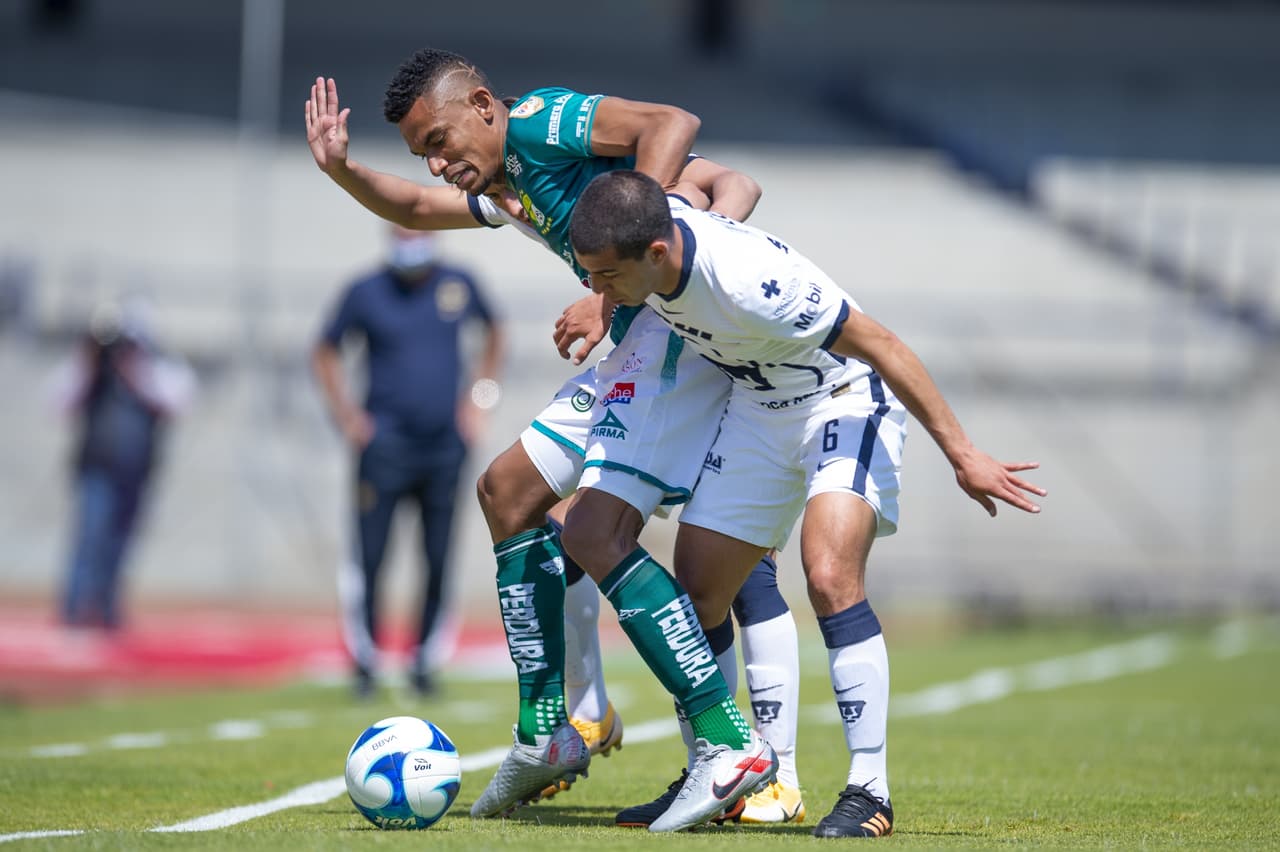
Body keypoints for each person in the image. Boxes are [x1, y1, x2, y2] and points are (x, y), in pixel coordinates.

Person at [305, 50, 796, 830]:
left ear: (482, 104)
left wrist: (613, 285)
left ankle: (728, 743)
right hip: (638, 343)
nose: (437, 164)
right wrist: (341, 171)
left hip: (673, 338)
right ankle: (549, 732)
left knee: (596, 532)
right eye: (422, 154)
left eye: (440, 140)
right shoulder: (505, 182)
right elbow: (413, 210)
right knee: (507, 492)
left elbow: (673, 127)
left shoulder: (540, 123)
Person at [568, 170, 1047, 837]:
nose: (597, 289)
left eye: (604, 277)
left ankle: (869, 792)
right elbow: (713, 188)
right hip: (760, 411)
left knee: (827, 573)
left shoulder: (749, 283)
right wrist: (603, 300)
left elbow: (880, 343)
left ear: (656, 253)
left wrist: (962, 452)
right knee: (699, 593)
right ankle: (717, 768)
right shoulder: (650, 242)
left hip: (842, 397)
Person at [312, 224, 504, 698]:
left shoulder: (459, 283)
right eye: (401, 231)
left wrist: (478, 402)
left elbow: (495, 332)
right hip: (384, 447)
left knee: (437, 555)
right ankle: (365, 661)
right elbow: (325, 350)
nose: (411, 241)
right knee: (371, 556)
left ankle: (425, 660)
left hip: (444, 446)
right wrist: (349, 417)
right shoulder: (365, 291)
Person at [53, 300, 195, 630]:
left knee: (120, 543)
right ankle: (74, 612)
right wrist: (89, 362)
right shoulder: (94, 372)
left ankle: (106, 611)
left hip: (137, 471)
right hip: (97, 466)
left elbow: (177, 399)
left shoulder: (154, 371)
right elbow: (59, 400)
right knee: (90, 538)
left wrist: (136, 371)